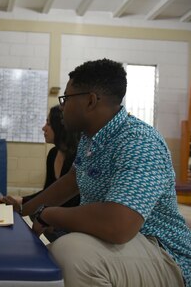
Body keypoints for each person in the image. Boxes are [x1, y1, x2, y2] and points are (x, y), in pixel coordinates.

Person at [22, 58, 191, 287]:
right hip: (126, 246)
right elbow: (71, 181)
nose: (62, 106)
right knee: (47, 258)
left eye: (66, 99)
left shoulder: (139, 142)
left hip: (164, 254)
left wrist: (49, 214)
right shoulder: (90, 138)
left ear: (90, 101)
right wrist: (21, 210)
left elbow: (117, 226)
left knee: (72, 254)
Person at [0, 105, 80, 241]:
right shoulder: (53, 154)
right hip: (55, 219)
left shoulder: (76, 158)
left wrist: (24, 206)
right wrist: (20, 199)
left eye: (49, 124)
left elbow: (67, 202)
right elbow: (48, 191)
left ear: (61, 126)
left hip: (70, 224)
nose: (43, 128)